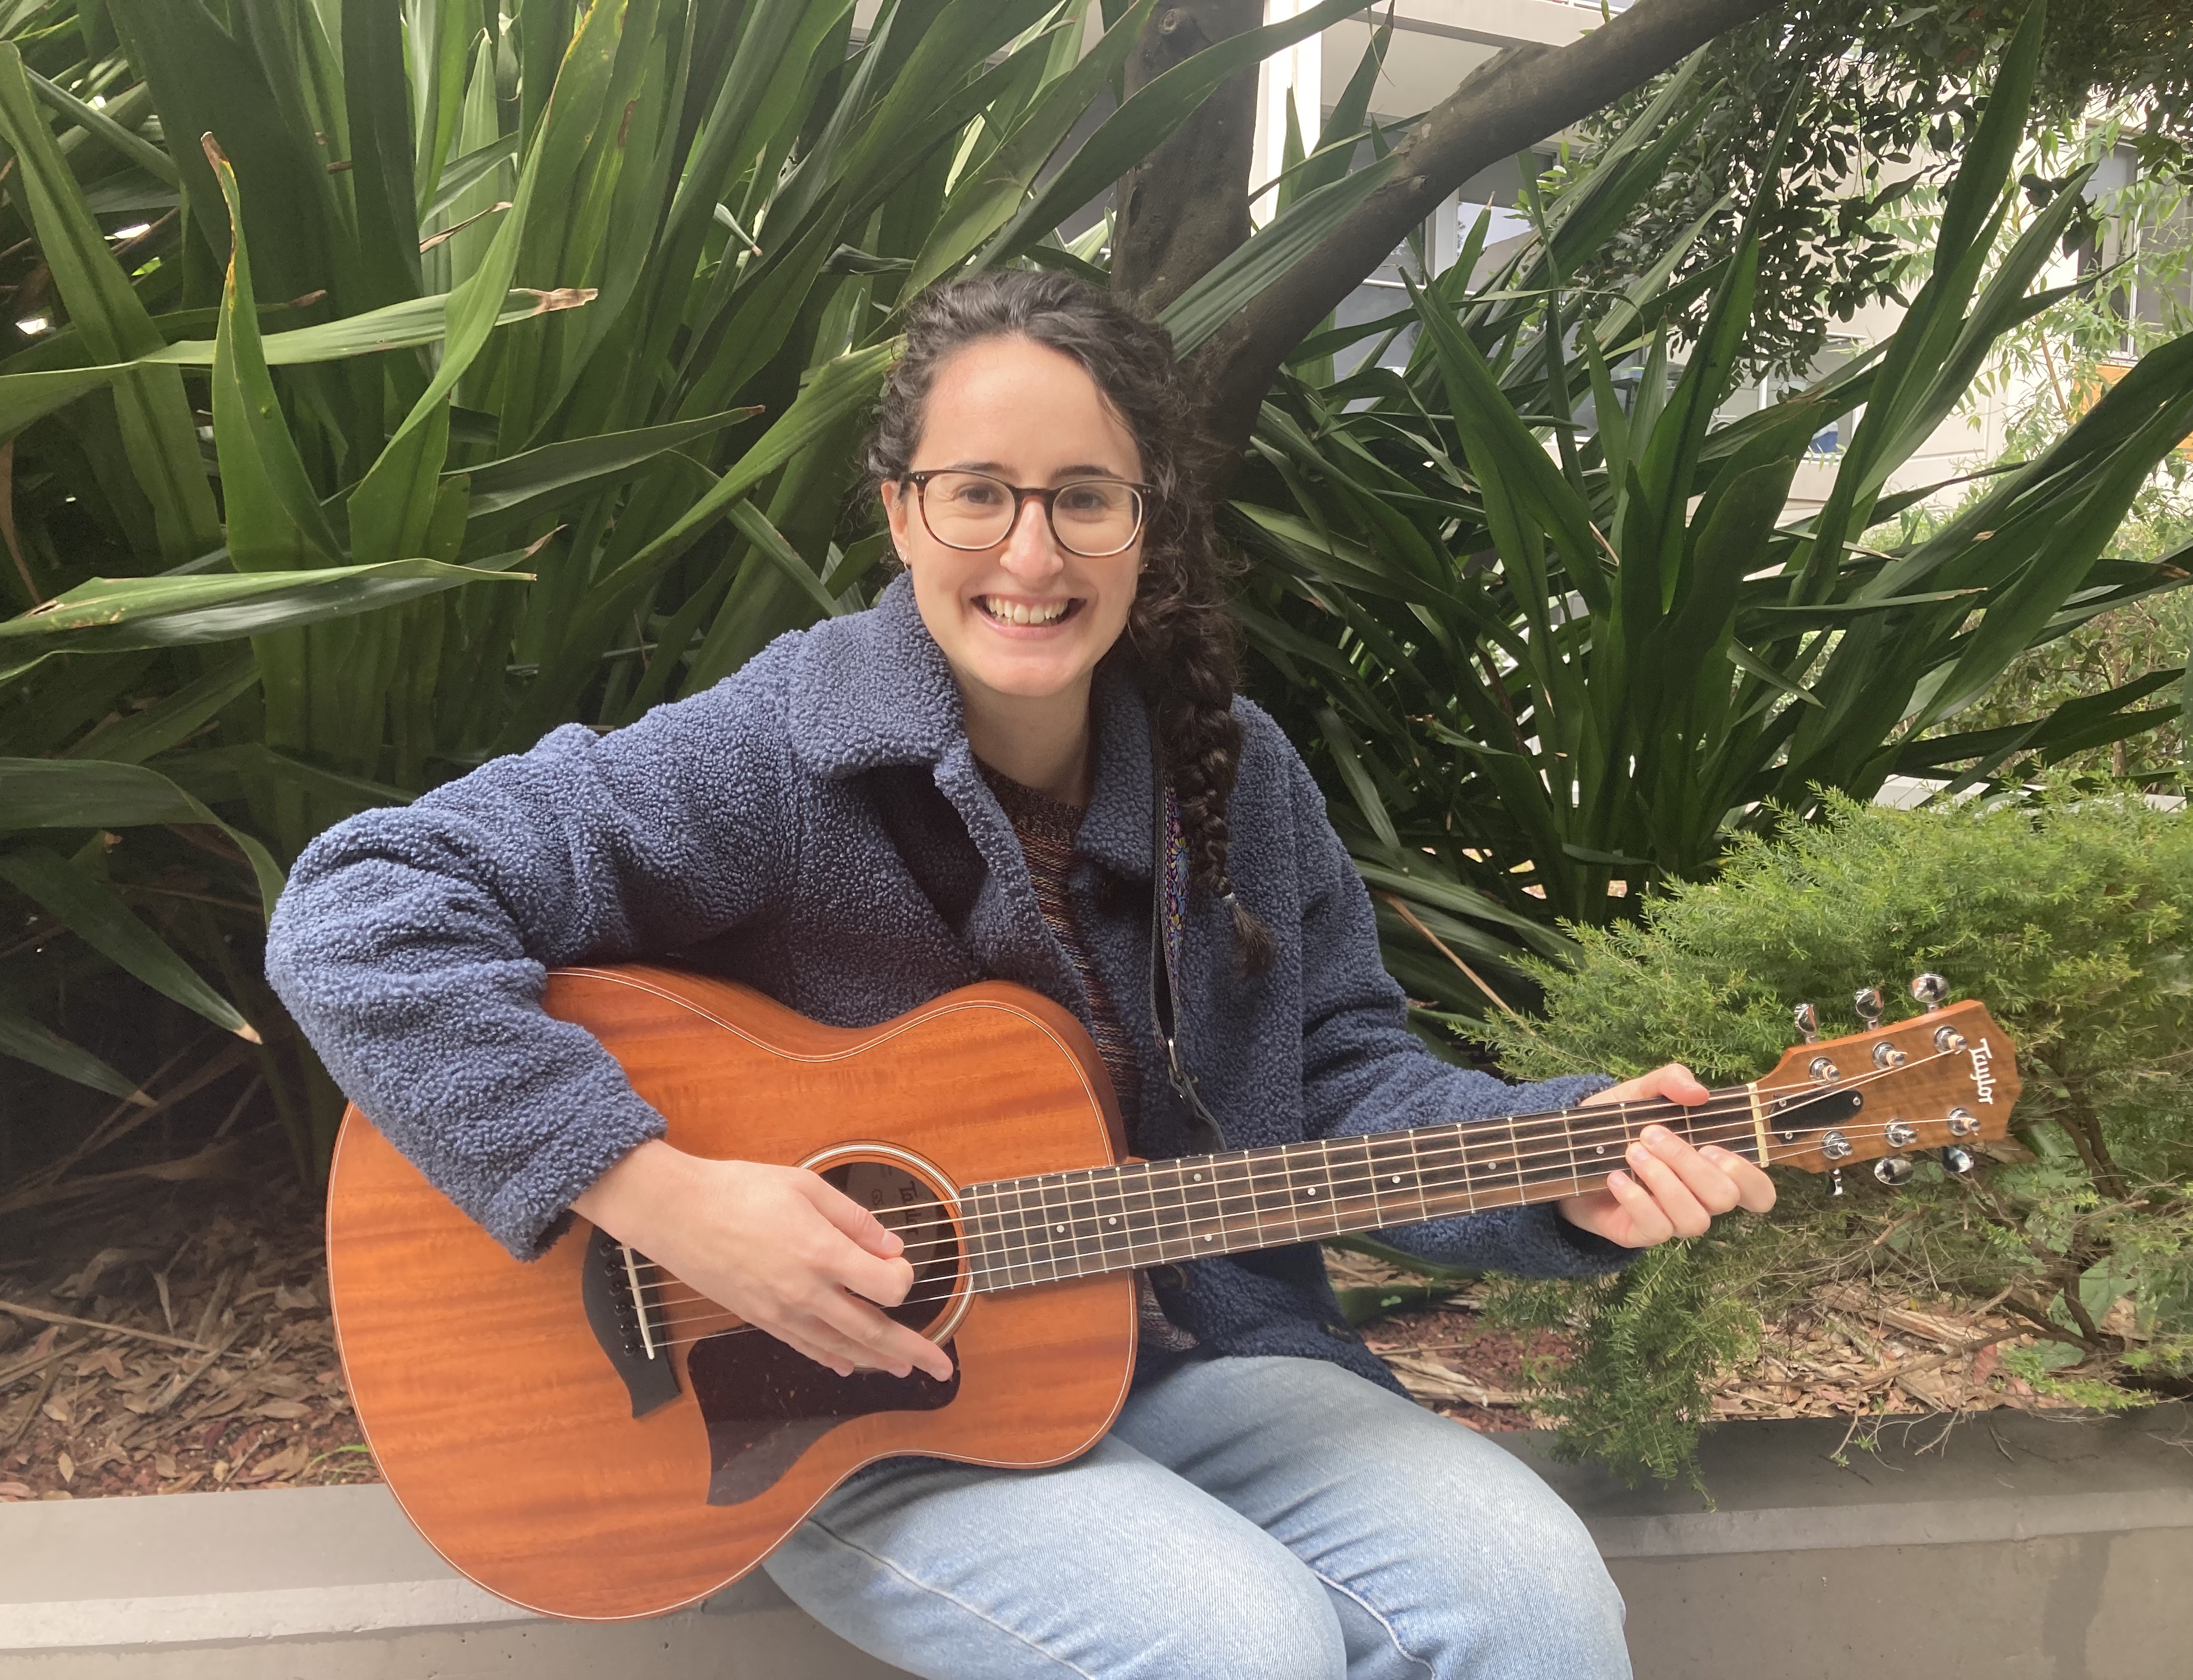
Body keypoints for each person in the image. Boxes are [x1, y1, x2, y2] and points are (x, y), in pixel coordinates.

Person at [266, 268, 1776, 1680]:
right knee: (1239, 1648)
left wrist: (1557, 1166)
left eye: (1084, 500)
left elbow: (1338, 1087)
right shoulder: (774, 757)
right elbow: (359, 908)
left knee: (1534, 1593)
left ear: (1151, 523)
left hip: (1205, 1353)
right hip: (848, 1407)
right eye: (979, 495)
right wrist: (664, 1199)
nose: (1032, 555)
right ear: (901, 511)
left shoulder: (1239, 785)